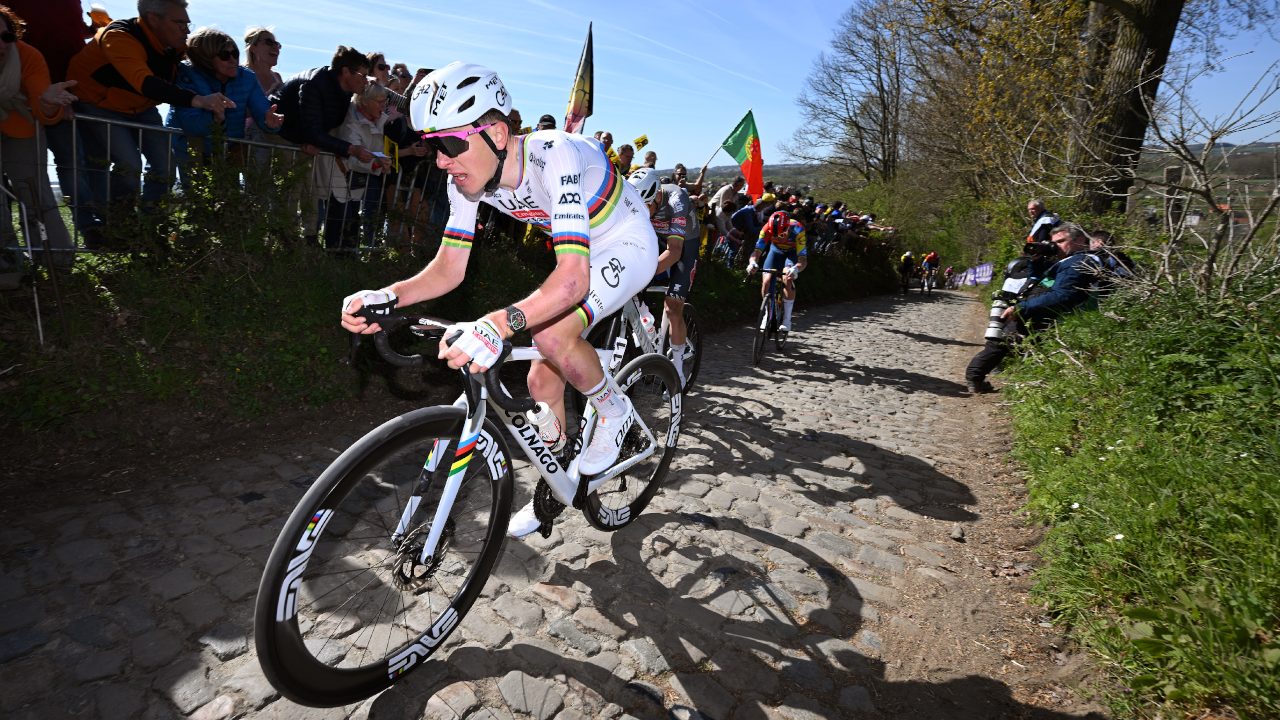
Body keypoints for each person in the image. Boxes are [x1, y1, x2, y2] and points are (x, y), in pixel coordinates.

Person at [340, 62, 657, 539]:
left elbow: (571, 278)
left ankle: (616, 413)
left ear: (496, 132)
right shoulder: (464, 180)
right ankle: (559, 479)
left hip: (625, 242)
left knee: (551, 335)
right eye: (431, 147)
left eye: (448, 144)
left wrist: (496, 324)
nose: (441, 160)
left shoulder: (556, 154)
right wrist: (389, 295)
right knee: (539, 376)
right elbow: (449, 268)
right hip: (581, 251)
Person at [68, 0, 237, 228]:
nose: (186, 30)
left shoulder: (173, 46)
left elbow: (202, 60)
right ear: (153, 18)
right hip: (100, 105)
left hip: (142, 107)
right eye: (179, 23)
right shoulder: (119, 37)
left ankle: (149, 227)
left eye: (187, 24)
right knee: (129, 164)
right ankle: (120, 227)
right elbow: (144, 82)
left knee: (165, 167)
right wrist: (198, 100)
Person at [964, 223, 1100, 394]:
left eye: (1061, 241)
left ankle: (977, 378)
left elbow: (1063, 295)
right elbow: (1039, 277)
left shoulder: (1079, 261)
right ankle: (978, 379)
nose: (1055, 246)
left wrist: (1021, 308)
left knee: (1003, 342)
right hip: (1037, 309)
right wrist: (1036, 260)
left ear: (1080, 240)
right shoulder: (1068, 260)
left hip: (1041, 311)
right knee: (1005, 342)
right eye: (1054, 242)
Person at [269, 45, 375, 243]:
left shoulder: (344, 92)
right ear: (345, 72)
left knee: (310, 190)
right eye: (363, 75)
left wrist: (312, 139)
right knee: (291, 189)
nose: (366, 81)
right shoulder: (314, 84)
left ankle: (309, 239)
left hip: (303, 139)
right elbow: (312, 128)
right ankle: (286, 241)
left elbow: (321, 128)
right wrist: (351, 149)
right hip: (281, 134)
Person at [0, 4, 79, 268]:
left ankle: (57, 257)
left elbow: (43, 110)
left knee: (35, 191)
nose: (1, 44)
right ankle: (7, 260)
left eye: (6, 36)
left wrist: (48, 103)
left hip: (22, 127)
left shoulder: (29, 56)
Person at [166, 28, 282, 168]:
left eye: (235, 53)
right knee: (188, 187)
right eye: (224, 55)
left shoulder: (247, 77)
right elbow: (190, 123)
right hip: (188, 146)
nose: (233, 60)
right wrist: (214, 120)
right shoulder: (186, 76)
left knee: (226, 189)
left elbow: (262, 110)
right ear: (206, 57)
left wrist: (269, 122)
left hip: (228, 150)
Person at [626, 167, 698, 389]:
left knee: (672, 307)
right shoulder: (638, 200)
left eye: (647, 206)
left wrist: (643, 274)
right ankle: (647, 335)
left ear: (657, 195)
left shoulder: (677, 199)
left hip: (685, 242)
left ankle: (676, 371)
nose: (643, 211)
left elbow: (674, 251)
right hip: (656, 236)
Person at [746, 210, 807, 332]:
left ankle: (787, 319)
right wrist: (752, 262)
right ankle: (767, 314)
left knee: (787, 278)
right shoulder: (766, 229)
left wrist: (796, 269)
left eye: (782, 234)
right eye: (776, 235)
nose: (780, 237)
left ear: (788, 227)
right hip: (775, 252)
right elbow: (757, 251)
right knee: (766, 281)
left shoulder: (798, 229)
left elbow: (803, 259)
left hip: (792, 254)